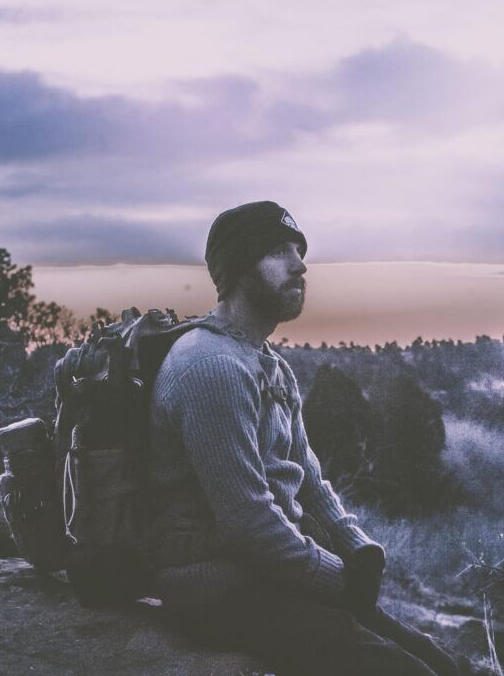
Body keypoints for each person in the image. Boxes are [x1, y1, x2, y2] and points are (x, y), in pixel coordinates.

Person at [147, 201, 467, 676]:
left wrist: (357, 546)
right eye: (279, 251)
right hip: (220, 588)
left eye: (299, 250)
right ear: (238, 268)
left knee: (441, 662)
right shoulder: (212, 365)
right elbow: (247, 521)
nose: (300, 264)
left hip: (271, 575)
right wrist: (339, 580)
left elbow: (310, 481)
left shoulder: (268, 363)